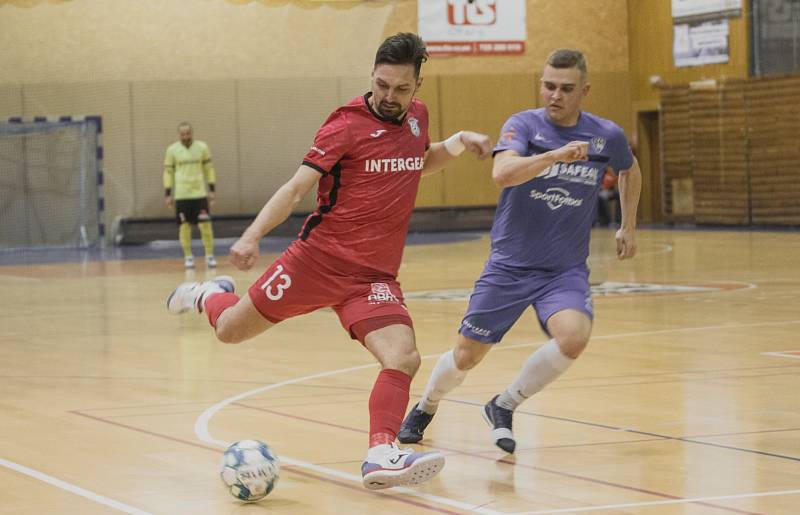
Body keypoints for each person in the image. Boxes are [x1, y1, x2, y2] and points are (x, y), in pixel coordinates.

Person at [166, 33, 491, 489]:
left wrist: (457, 142)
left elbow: (416, 161)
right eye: (381, 85)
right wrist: (252, 236)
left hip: (373, 276)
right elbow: (297, 187)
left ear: (418, 84)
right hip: (316, 263)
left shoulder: (418, 117)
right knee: (230, 332)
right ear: (372, 77)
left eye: (401, 89)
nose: (389, 97)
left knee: (403, 356)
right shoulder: (344, 125)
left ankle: (381, 452)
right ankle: (209, 295)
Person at [398, 49, 642, 454]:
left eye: (566, 89)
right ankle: (426, 405)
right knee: (466, 355)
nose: (555, 95)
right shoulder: (524, 125)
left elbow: (630, 168)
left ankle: (503, 404)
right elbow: (501, 174)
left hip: (563, 271)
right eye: (548, 85)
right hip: (509, 268)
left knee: (574, 337)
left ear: (585, 90)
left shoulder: (606, 135)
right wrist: (553, 156)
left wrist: (628, 224)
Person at [163, 122, 218, 269]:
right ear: (179, 134)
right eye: (182, 134)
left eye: (188, 133)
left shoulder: (202, 147)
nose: (185, 136)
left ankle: (209, 255)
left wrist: (212, 190)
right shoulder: (172, 150)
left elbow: (209, 169)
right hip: (181, 195)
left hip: (199, 194)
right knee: (184, 227)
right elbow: (168, 173)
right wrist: (168, 193)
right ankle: (188, 257)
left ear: (191, 133)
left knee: (205, 226)